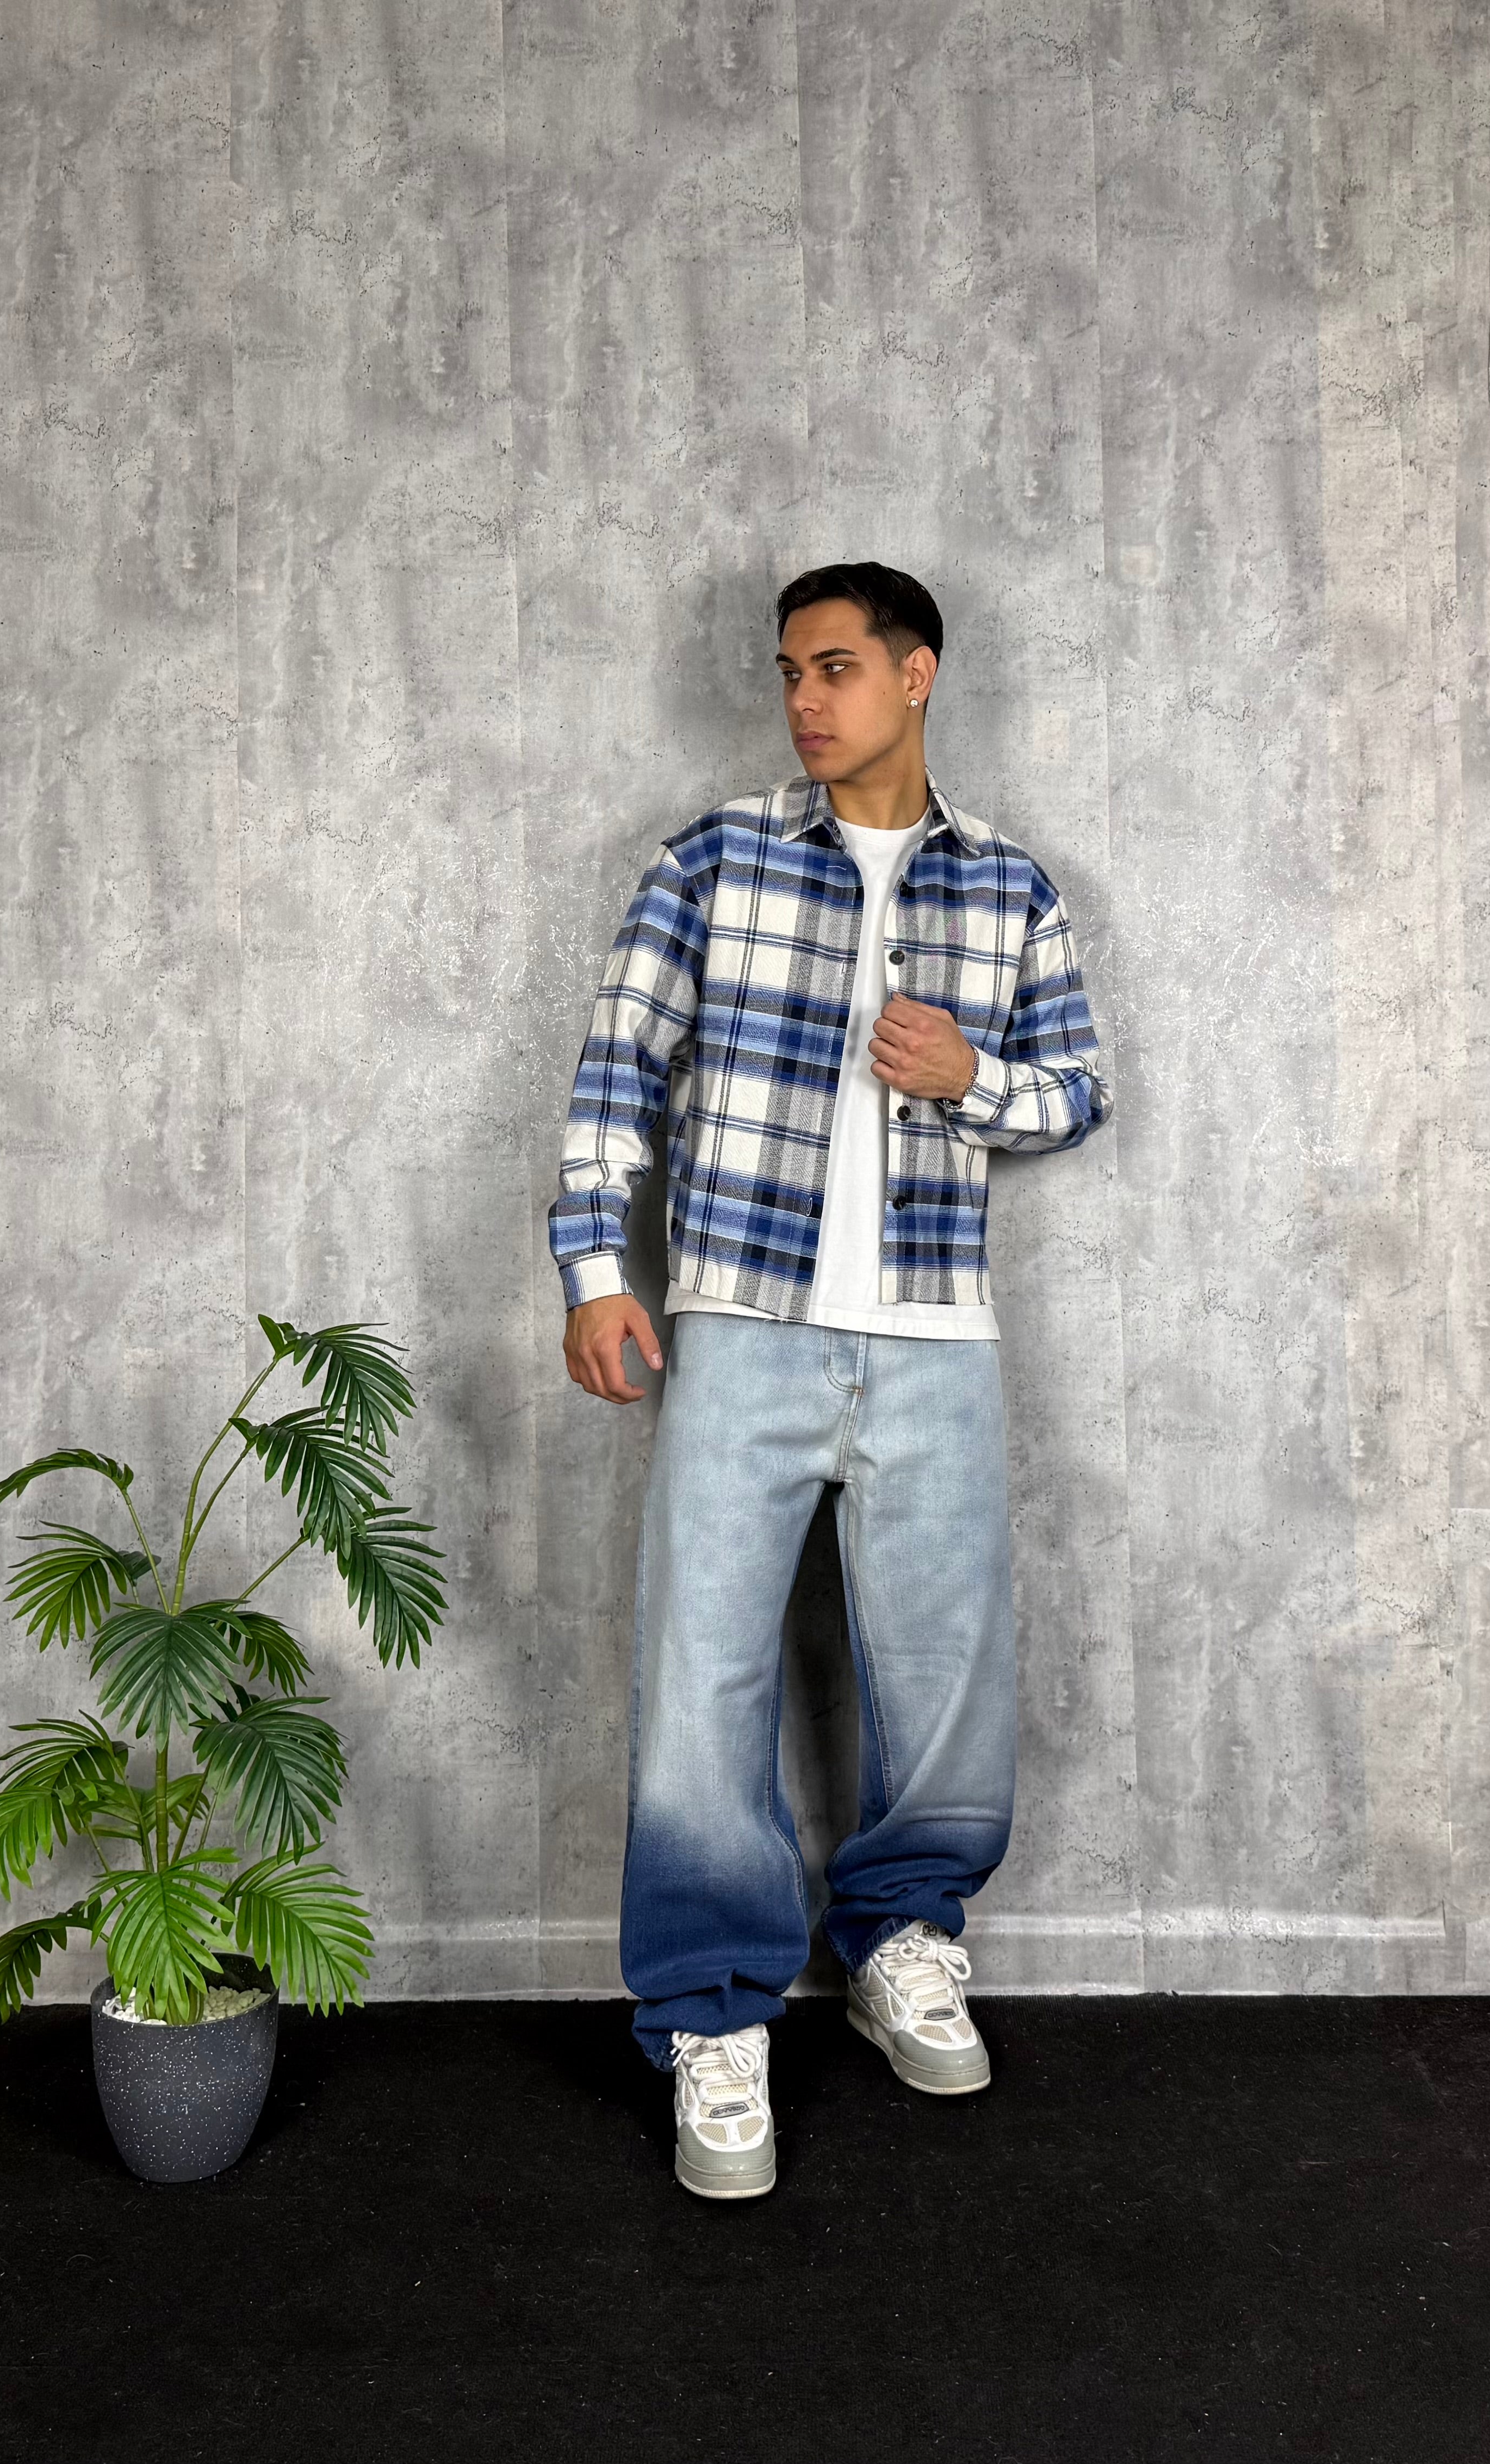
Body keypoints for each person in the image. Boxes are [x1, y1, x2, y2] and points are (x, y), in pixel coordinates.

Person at [548, 561, 1114, 2200]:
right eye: (790, 671)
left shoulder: (1010, 887)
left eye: (838, 668)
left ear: (916, 674)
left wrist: (973, 1075)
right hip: (740, 1321)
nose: (805, 699)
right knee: (702, 1672)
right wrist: (596, 1268)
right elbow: (615, 1067)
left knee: (946, 1670)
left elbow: (1078, 1091)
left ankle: (904, 1940)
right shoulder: (714, 859)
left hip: (935, 1330)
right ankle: (712, 2015)